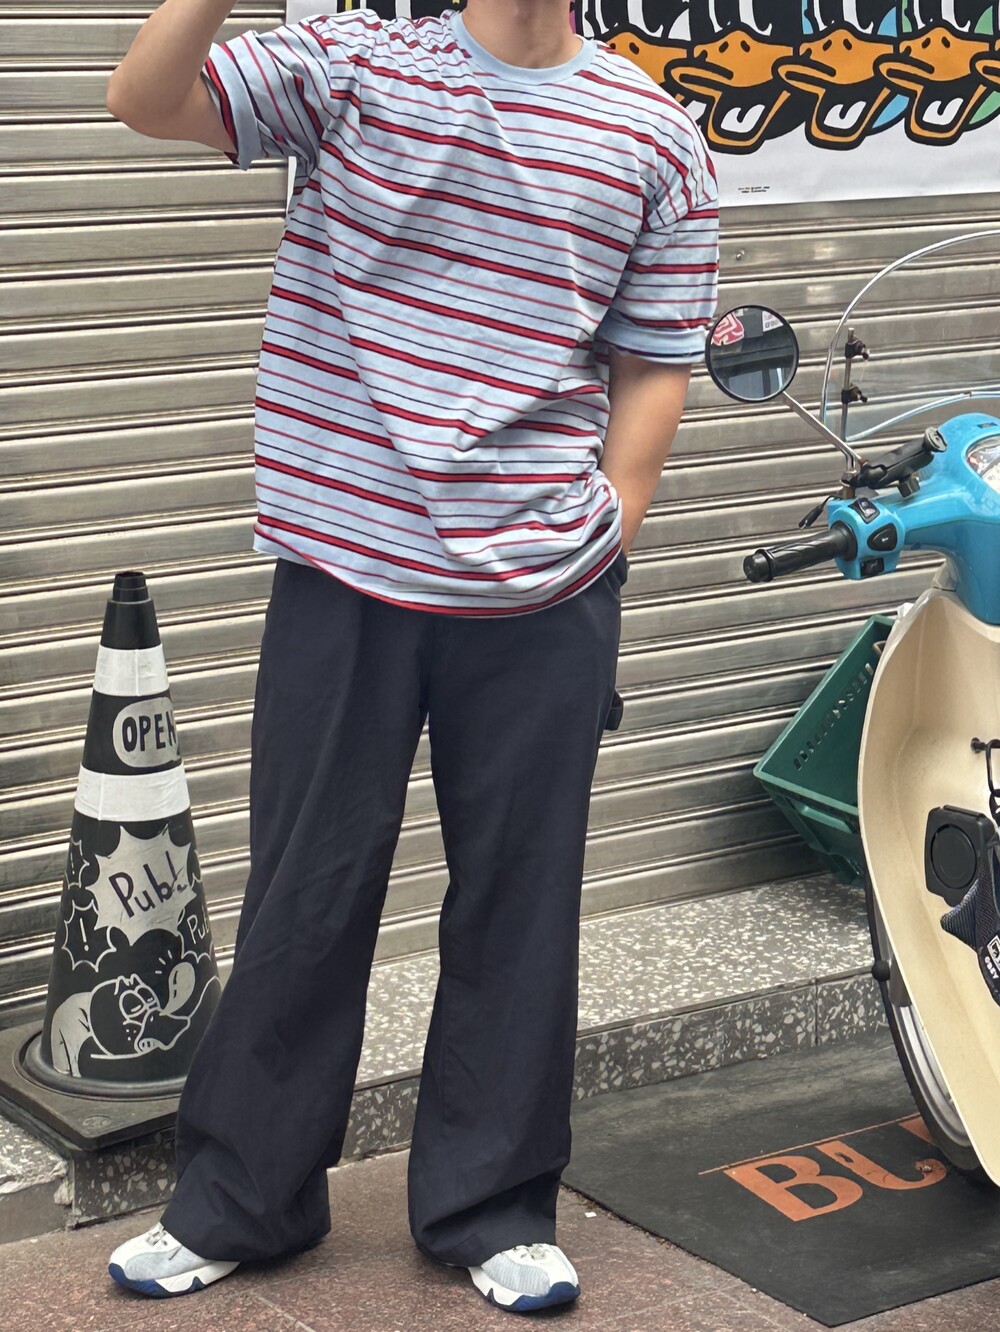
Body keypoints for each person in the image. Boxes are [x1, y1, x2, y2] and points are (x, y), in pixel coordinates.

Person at [103, 0, 719, 1313]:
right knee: (306, 891)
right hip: (344, 570)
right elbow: (146, 99)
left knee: (521, 897)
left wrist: (607, 531)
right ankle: (242, 1199)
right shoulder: (351, 65)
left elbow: (655, 359)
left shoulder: (653, 132)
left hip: (545, 591)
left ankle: (491, 1207)